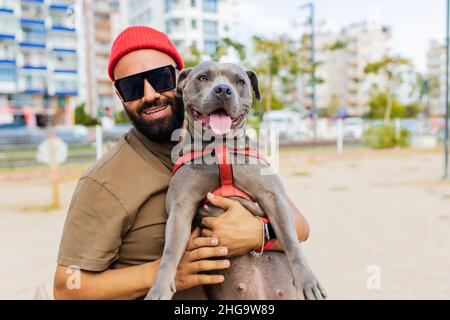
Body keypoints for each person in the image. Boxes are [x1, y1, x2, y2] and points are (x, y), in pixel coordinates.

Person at [53, 26, 310, 300]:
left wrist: (257, 233)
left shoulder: (232, 147)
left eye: (161, 78)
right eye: (131, 86)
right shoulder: (104, 181)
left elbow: (301, 227)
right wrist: (167, 273)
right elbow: (66, 286)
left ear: (181, 80)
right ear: (120, 97)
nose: (149, 94)